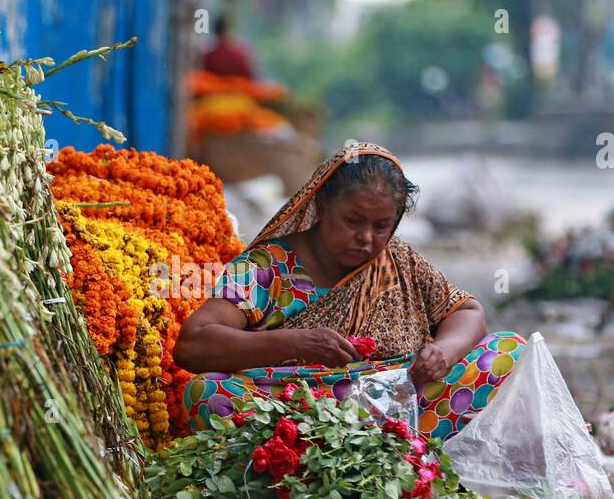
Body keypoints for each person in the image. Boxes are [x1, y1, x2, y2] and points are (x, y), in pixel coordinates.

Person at [174, 142, 527, 438]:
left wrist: (442, 352)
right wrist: (298, 343)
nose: (366, 239)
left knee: (509, 349)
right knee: (206, 393)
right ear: (322, 207)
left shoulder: (399, 259)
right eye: (353, 222)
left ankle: (404, 450)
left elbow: (467, 313)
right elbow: (194, 344)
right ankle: (371, 456)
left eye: (381, 226)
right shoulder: (266, 267)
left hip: (403, 400)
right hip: (302, 408)